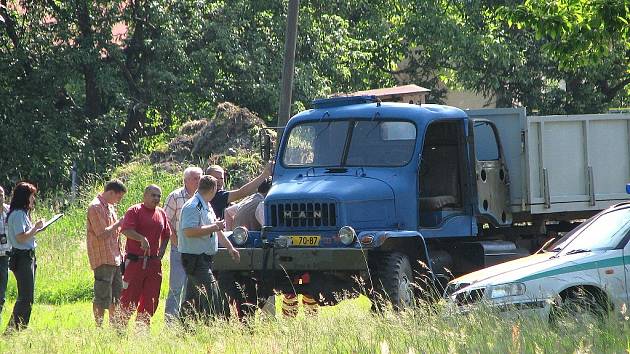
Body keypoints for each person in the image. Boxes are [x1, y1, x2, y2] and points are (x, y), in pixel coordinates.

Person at [178, 175, 239, 322]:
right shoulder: (193, 206)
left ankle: (184, 326)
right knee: (211, 292)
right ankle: (213, 324)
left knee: (191, 297)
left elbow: (216, 230)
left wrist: (230, 248)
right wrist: (214, 226)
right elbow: (189, 231)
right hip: (194, 258)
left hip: (204, 258)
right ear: (213, 189)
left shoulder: (206, 205)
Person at [119, 185, 172, 326]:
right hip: (136, 262)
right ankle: (119, 329)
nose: (156, 198)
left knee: (151, 298)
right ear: (145, 195)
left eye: (159, 196)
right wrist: (141, 238)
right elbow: (126, 230)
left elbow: (167, 234)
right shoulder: (135, 210)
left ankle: (142, 329)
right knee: (129, 297)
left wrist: (161, 252)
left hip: (153, 264)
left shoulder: (161, 213)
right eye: (153, 195)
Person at [163, 166, 203, 322]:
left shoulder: (202, 198)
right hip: (179, 247)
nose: (199, 181)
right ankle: (170, 323)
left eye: (200, 178)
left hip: (197, 248)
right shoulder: (176, 196)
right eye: (195, 178)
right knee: (176, 287)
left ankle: (187, 322)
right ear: (185, 180)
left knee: (192, 287)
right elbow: (164, 219)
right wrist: (174, 240)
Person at [86, 179, 127, 327]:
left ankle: (114, 327)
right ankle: (98, 328)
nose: (119, 200)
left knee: (116, 296)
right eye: (118, 197)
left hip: (115, 258)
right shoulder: (95, 207)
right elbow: (101, 233)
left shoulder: (109, 207)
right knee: (102, 296)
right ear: (110, 192)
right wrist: (119, 223)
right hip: (103, 258)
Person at [5, 182, 44, 331]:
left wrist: (37, 228)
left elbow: (26, 235)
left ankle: (20, 328)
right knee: (25, 297)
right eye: (32, 196)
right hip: (22, 258)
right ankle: (13, 329)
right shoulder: (18, 214)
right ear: (25, 197)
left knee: (28, 296)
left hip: (27, 257)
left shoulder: (21, 213)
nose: (33, 199)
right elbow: (21, 238)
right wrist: (35, 228)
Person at [205, 162, 273, 219]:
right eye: (216, 178)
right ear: (207, 178)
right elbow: (241, 193)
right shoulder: (216, 195)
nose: (219, 181)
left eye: (221, 178)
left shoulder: (208, 193)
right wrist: (264, 175)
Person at [0, 186, 10, 319]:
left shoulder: (9, 211)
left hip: (5, 254)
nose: (0, 197)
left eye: (1, 194)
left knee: (2, 286)